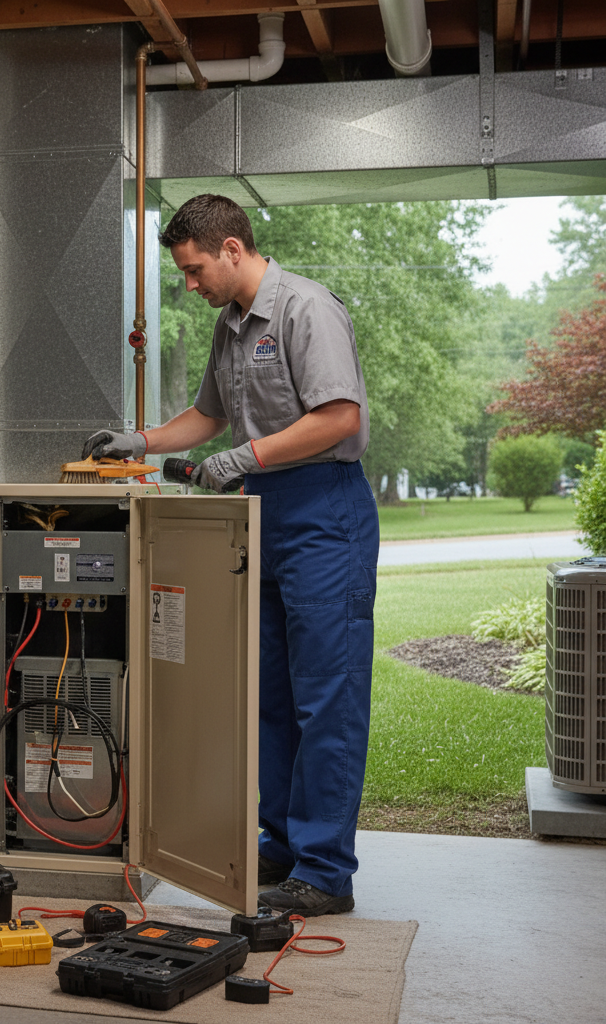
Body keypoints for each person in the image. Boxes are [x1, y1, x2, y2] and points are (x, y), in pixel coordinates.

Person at [82, 194, 379, 917]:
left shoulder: (306, 309)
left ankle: (325, 871)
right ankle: (282, 843)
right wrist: (141, 440)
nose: (190, 285)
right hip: (262, 514)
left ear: (232, 249)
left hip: (324, 512)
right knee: (269, 694)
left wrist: (243, 459)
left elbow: (340, 417)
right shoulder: (231, 326)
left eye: (194, 270)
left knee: (327, 696)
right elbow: (209, 415)